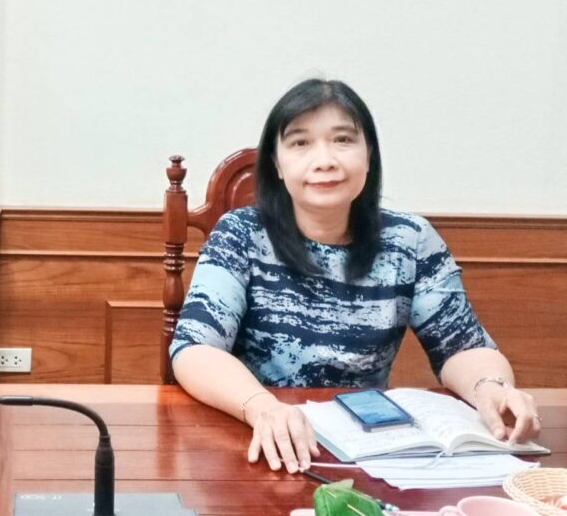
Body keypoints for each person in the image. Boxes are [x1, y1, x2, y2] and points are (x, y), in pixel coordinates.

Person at [169, 79, 540, 474]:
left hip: (367, 450)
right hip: (258, 438)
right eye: (300, 143)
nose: (325, 160)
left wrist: (491, 389)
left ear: (369, 156)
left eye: (343, 140)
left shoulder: (409, 240)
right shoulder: (241, 234)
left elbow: (462, 347)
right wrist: (261, 407)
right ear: (277, 164)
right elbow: (195, 348)